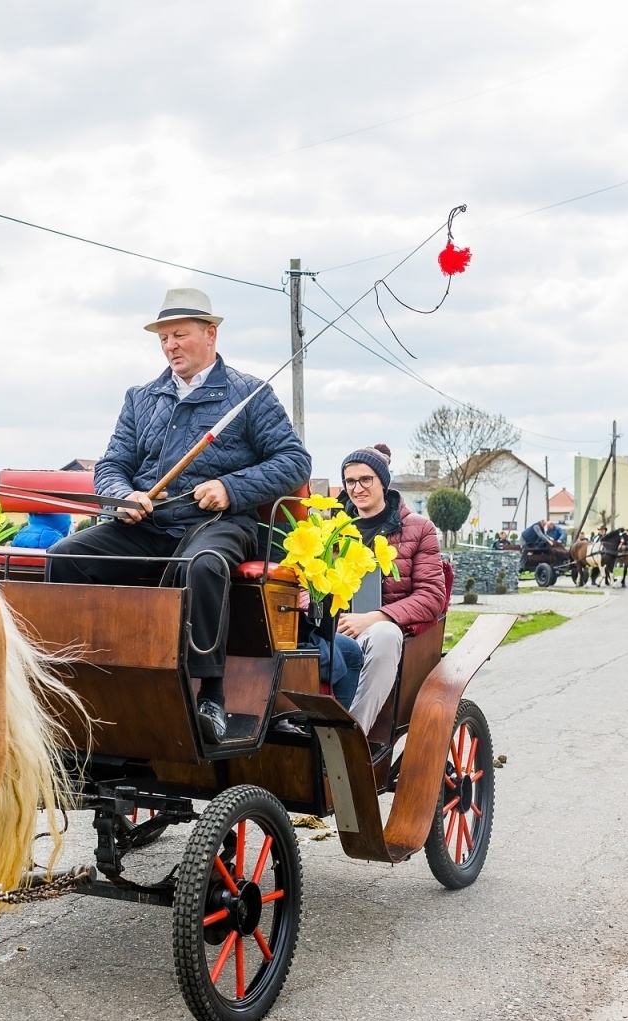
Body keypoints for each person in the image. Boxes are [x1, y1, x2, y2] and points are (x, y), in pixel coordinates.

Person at [46, 288, 311, 742]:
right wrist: (122, 496)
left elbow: (293, 461)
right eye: (164, 337)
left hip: (220, 524)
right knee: (65, 557)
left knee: (203, 566)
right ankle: (77, 682)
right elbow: (111, 466)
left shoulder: (251, 396)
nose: (170, 346)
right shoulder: (141, 397)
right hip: (149, 525)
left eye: (179, 335)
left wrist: (230, 488)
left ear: (210, 334)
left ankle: (209, 695)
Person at [335, 445, 448, 733]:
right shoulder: (332, 530)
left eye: (365, 479)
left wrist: (377, 617)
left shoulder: (419, 528)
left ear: (383, 482)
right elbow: (307, 582)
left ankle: (353, 733)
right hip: (336, 625)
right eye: (350, 481)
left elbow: (432, 596)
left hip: (386, 628)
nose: (357, 488)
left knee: (385, 635)